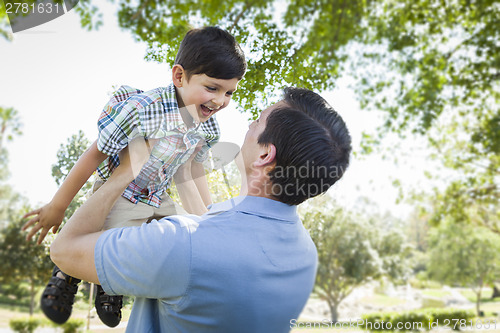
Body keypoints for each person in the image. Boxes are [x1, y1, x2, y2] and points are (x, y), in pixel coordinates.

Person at [49, 87, 352, 333]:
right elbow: (214, 228)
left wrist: (126, 172)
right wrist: (183, 167)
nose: (248, 125)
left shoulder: (182, 243)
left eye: (257, 121)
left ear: (264, 154)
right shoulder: (305, 256)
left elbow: (65, 250)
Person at [22, 26, 246, 327]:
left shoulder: (207, 127)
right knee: (106, 238)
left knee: (179, 237)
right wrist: (58, 206)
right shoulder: (143, 110)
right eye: (212, 88)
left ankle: (111, 283)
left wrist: (209, 220)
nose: (220, 101)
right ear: (179, 76)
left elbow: (192, 173)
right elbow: (95, 153)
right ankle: (68, 276)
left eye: (229, 92)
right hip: (120, 191)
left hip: (157, 194)